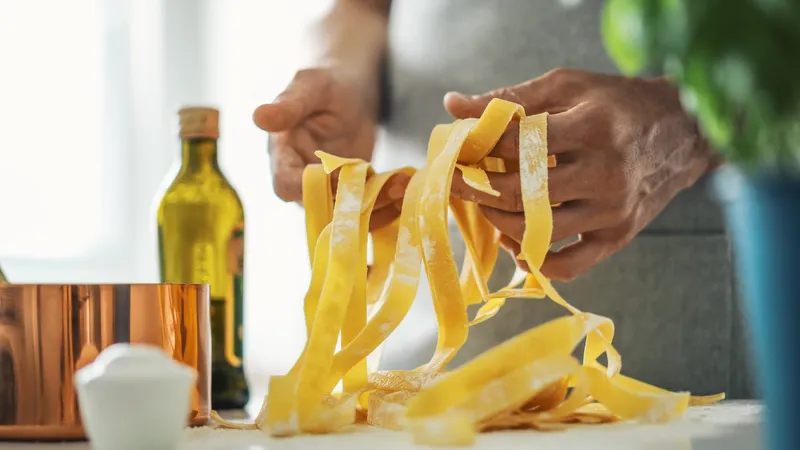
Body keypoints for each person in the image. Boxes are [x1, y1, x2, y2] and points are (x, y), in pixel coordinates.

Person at [254, 0, 755, 398]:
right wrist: (343, 75)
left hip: (683, 346)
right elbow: (362, 7)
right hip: (426, 364)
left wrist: (687, 125)